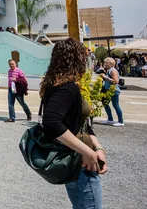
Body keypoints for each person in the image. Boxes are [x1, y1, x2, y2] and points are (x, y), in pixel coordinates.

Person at [40, 38, 107, 209]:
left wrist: (98, 148)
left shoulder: (57, 85)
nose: (85, 60)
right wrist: (87, 152)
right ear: (75, 59)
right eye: (82, 56)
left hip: (80, 159)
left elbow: (81, 122)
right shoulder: (67, 88)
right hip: (80, 164)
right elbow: (51, 122)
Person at [100, 57, 124, 127]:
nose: (105, 64)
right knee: (105, 103)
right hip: (108, 90)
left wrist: (105, 77)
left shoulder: (112, 71)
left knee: (115, 105)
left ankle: (121, 121)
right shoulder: (108, 70)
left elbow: (116, 81)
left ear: (110, 64)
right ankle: (110, 119)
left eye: (106, 63)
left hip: (113, 90)